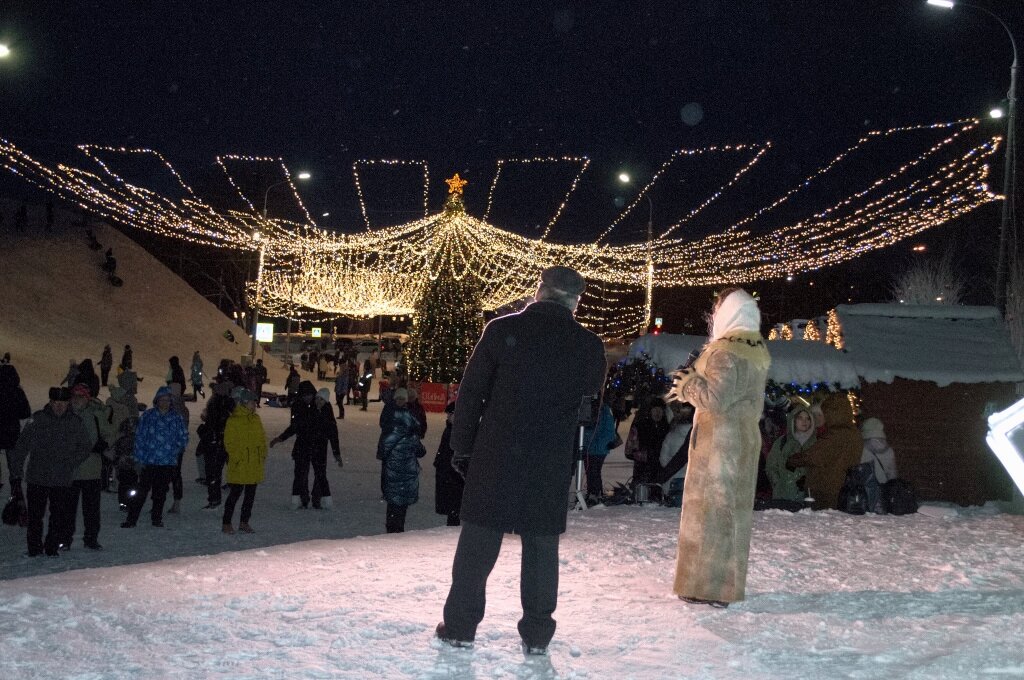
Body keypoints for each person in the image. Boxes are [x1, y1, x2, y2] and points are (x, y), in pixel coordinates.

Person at [437, 265, 606, 655]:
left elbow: (470, 396)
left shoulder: (502, 331)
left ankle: (460, 627)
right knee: (541, 551)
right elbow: (590, 412)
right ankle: (537, 635)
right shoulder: (588, 345)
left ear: (539, 291)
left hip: (496, 455)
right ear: (575, 302)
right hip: (548, 462)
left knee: (478, 546)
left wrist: (462, 449)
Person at [669, 287, 771, 608]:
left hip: (720, 445)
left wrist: (687, 383)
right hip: (741, 441)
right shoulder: (755, 349)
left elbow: (715, 398)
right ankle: (720, 586)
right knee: (730, 514)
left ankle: (707, 587)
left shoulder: (725, 351)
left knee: (710, 514)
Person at [8, 387, 91, 557]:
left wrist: (71, 463)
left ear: (68, 403)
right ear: (51, 403)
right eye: (56, 403)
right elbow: (22, 446)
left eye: (63, 403)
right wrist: (16, 470)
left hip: (62, 478)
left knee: (58, 516)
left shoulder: (75, 422)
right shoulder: (38, 419)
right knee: (35, 516)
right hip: (37, 476)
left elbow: (85, 446)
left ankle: (51, 547)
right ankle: (34, 548)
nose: (59, 406)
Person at [122, 386, 189, 528]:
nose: (164, 403)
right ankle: (131, 519)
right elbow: (140, 437)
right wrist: (139, 458)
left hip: (166, 462)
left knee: (160, 492)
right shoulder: (148, 416)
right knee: (141, 491)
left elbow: (183, 436)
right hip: (149, 461)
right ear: (157, 401)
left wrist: (175, 450)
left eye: (167, 400)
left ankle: (156, 518)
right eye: (162, 400)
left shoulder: (176, 418)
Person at [786, 392, 862, 511]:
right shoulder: (854, 433)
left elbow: (813, 456)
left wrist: (792, 460)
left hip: (825, 487)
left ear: (833, 412)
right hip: (842, 486)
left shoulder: (835, 434)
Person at [63, 383, 115, 550]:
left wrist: (104, 444)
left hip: (91, 469)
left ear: (87, 398)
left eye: (81, 396)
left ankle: (91, 539)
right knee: (67, 509)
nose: (77, 399)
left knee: (91, 509)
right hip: (70, 470)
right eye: (75, 396)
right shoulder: (65, 413)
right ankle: (65, 539)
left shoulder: (96, 414)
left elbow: (109, 433)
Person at [377, 388, 426, 532]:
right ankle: (397, 529)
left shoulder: (388, 433)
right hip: (407, 476)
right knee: (401, 505)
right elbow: (421, 452)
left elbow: (382, 451)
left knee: (393, 504)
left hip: (392, 475)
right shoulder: (412, 435)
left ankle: (392, 528)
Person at [269, 380, 321, 509]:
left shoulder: (319, 404)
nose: (308, 398)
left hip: (317, 444)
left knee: (319, 474)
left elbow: (328, 425)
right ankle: (302, 498)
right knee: (301, 474)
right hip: (302, 444)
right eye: (305, 395)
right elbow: (294, 427)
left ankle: (317, 498)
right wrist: (280, 438)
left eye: (310, 395)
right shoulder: (297, 406)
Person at [221, 388, 267, 534]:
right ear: (243, 403)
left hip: (254, 464)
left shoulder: (256, 419)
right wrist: (237, 458)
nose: (254, 404)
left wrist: (262, 454)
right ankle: (226, 523)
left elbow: (261, 438)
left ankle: (244, 522)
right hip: (240, 465)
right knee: (234, 495)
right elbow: (229, 443)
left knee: (250, 497)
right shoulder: (233, 420)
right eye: (252, 402)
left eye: (254, 402)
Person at [765, 405, 816, 505]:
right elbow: (771, 466)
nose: (804, 421)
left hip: (808, 498)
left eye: (807, 418)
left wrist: (810, 481)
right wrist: (779, 483)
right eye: (800, 418)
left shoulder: (817, 444)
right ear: (793, 420)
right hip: (783, 496)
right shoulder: (782, 442)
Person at [201, 382, 235, 509]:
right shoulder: (227, 403)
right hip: (221, 441)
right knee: (217, 469)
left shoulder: (217, 403)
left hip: (216, 442)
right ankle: (217, 495)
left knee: (213, 471)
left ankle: (214, 498)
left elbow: (213, 423)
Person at [624, 399, 671, 490]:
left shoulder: (667, 427)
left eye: (660, 410)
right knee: (643, 494)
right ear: (650, 411)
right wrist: (645, 455)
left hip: (660, 468)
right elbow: (629, 450)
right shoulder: (640, 426)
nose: (657, 413)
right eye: (655, 410)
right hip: (642, 469)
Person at [0, 363, 31, 493]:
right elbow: (26, 412)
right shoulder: (18, 392)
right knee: (14, 462)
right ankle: (16, 486)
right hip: (12, 431)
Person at [433, 401, 465, 526]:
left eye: (450, 414)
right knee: (452, 508)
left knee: (454, 508)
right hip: (449, 474)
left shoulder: (456, 432)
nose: (448, 417)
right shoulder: (450, 430)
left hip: (453, 475)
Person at [658, 401, 694, 507]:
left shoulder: (671, 435)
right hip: (693, 479)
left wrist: (666, 474)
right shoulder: (699, 433)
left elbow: (663, 458)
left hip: (674, 478)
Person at [859, 417, 898, 513]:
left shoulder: (861, 448)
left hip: (866, 492)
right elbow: (892, 474)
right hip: (884, 492)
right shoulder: (889, 450)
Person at [582, 401, 617, 504]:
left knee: (594, 471)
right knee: (591, 471)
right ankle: (593, 492)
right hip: (590, 447)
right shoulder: (600, 411)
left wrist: (599, 443)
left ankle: (595, 493)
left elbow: (608, 431)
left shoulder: (605, 412)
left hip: (597, 448)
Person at [166, 383, 190, 514]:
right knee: (174, 474)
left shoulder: (175, 408)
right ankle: (176, 501)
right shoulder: (182, 408)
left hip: (171, 447)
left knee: (170, 474)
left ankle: (174, 501)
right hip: (175, 447)